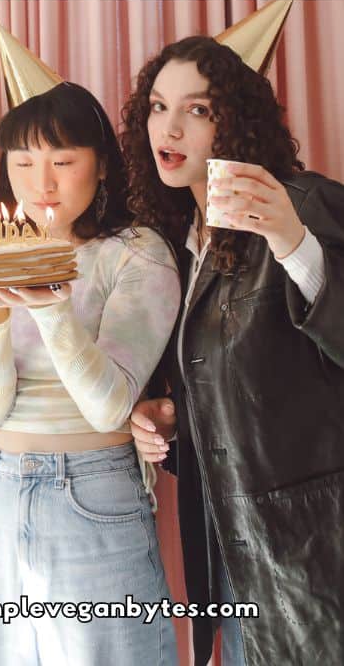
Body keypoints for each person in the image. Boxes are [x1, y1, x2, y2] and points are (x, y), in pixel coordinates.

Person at [121, 33, 344, 666]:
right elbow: (232, 393)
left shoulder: (302, 203)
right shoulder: (173, 241)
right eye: (159, 107)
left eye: (197, 109)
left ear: (235, 122)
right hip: (225, 543)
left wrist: (291, 242)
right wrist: (167, 416)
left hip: (313, 546)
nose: (170, 126)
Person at [0, 80, 181, 666]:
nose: (41, 183)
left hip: (91, 491)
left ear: (102, 166)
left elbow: (108, 406)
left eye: (63, 161)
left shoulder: (136, 253)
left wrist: (50, 304)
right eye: (23, 162)